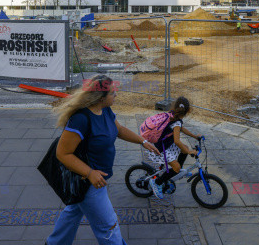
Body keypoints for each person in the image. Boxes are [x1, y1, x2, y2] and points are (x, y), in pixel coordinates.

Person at [46, 74, 160, 245]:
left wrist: (143, 141)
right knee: (109, 226)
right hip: (89, 183)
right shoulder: (80, 119)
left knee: (73, 211)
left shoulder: (105, 110)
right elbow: (63, 154)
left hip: (97, 179)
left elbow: (119, 129)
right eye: (113, 93)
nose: (116, 95)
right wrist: (90, 173)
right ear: (100, 97)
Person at [146, 97, 199, 199]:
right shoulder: (177, 121)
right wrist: (189, 151)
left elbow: (181, 128)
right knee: (178, 163)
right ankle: (156, 182)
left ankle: (178, 170)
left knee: (185, 147)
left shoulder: (173, 114)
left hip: (164, 142)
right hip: (161, 147)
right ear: (188, 111)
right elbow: (177, 141)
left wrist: (194, 136)